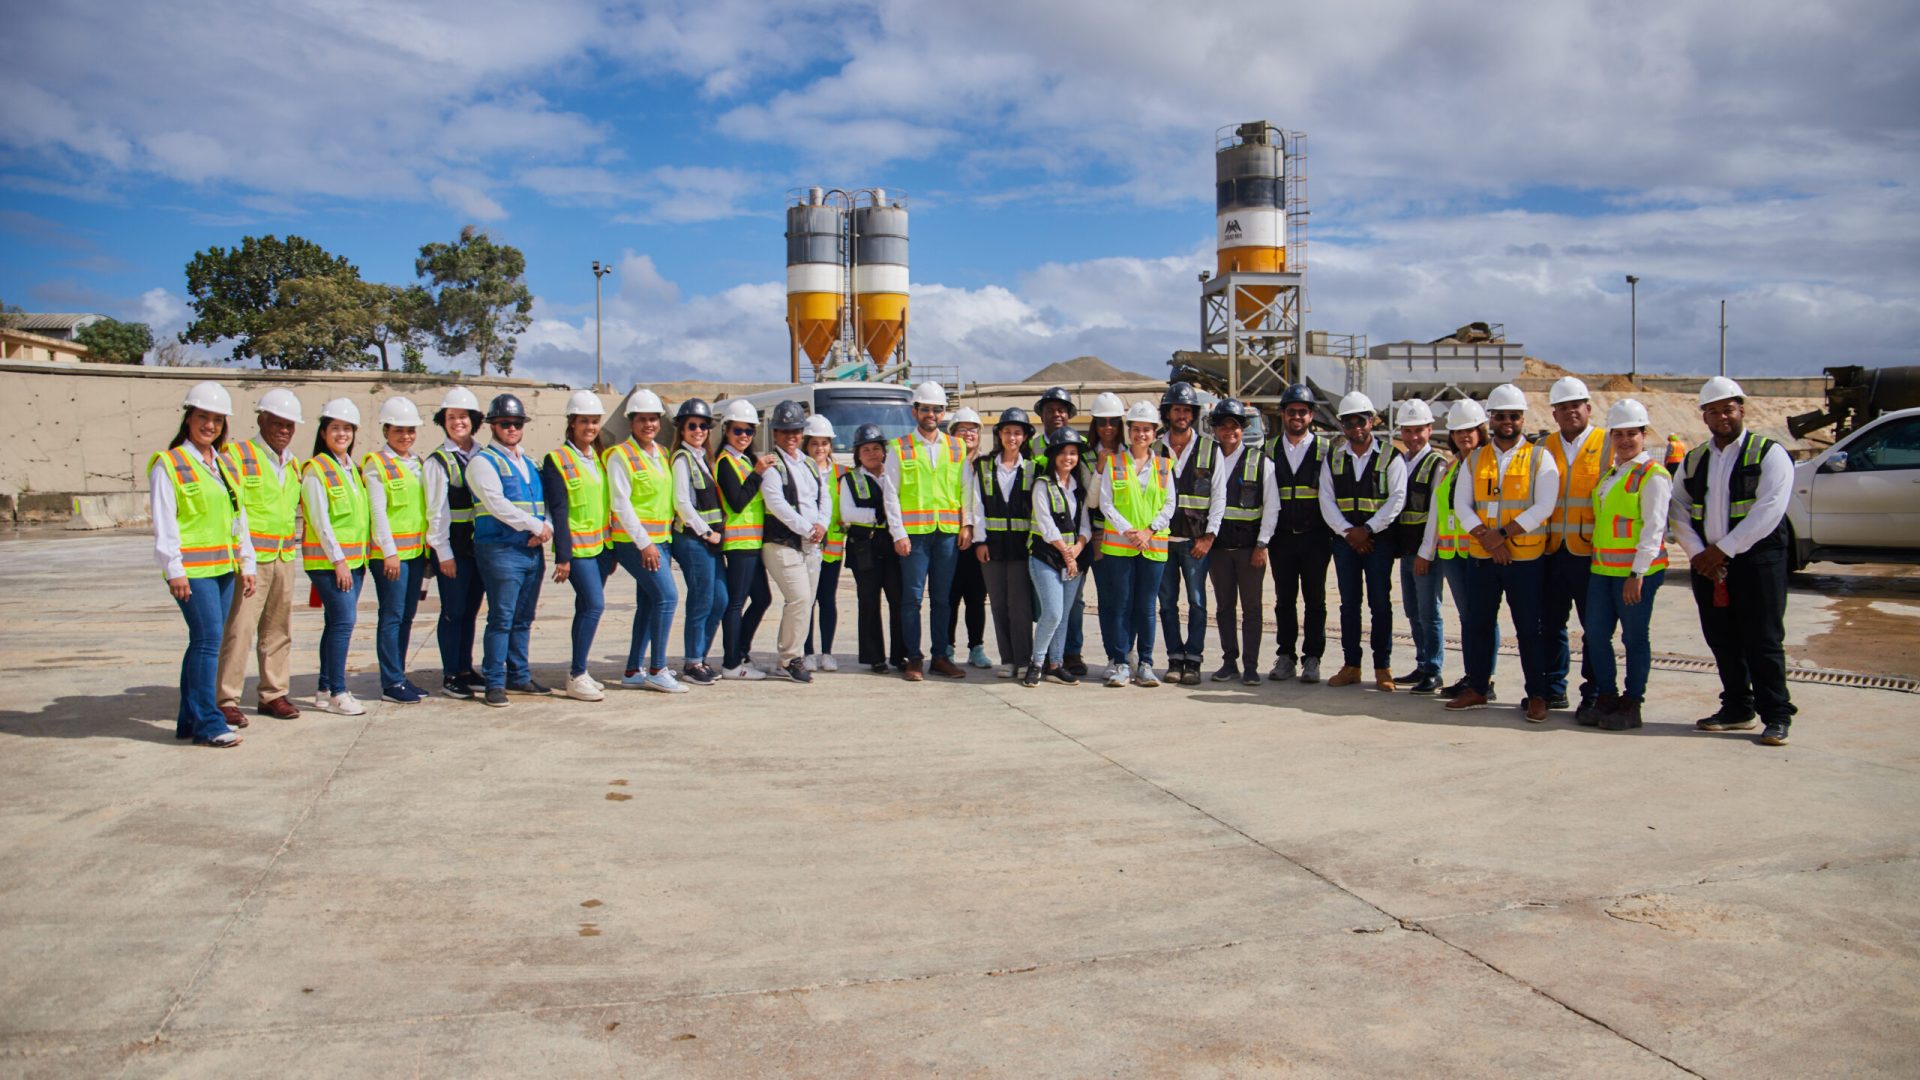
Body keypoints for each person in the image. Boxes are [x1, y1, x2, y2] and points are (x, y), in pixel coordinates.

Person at [1669, 377, 1796, 746]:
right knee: (1722, 639)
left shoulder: (1768, 453)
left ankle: (1776, 714)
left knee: (1764, 639)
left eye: (1728, 408)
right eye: (1713, 411)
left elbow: (1769, 509)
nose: (1722, 416)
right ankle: (1738, 707)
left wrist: (1722, 550)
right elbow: (1678, 509)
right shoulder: (1694, 459)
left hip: (1757, 561)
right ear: (1703, 417)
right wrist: (1698, 554)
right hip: (1708, 564)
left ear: (1741, 409)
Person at [152, 381, 257, 747]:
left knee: (203, 642)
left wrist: (247, 562)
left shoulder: (223, 463)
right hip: (193, 572)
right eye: (202, 417)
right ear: (189, 418)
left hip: (224, 569)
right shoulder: (170, 463)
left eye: (216, 420)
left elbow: (236, 516)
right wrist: (174, 568)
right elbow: (164, 521)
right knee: (209, 640)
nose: (209, 425)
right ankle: (210, 722)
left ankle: (189, 719)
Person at [1446, 383, 1560, 719]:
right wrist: (1487, 538)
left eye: (1513, 416)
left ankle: (1537, 695)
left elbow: (1544, 505)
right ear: (1490, 420)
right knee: (1478, 624)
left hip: (1525, 559)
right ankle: (1478, 687)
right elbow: (1461, 504)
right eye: (1499, 416)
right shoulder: (1476, 459)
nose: (1506, 421)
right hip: (1482, 559)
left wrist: (1502, 536)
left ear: (1522, 418)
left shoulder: (1540, 457)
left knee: (1529, 628)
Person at [215, 388, 303, 727]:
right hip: (251, 560)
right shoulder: (236, 456)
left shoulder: (292, 463)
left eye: (289, 425)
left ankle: (273, 694)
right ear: (261, 420)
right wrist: (244, 558)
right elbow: (234, 513)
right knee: (240, 629)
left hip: (283, 556)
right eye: (277, 422)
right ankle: (226, 699)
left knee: (279, 629)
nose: (283, 429)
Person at [1583, 399, 1671, 731]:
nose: (1624, 441)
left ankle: (1632, 703)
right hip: (1603, 571)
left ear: (1643, 434)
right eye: (1617, 435)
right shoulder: (1612, 474)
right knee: (1595, 635)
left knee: (1634, 638)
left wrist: (1638, 573)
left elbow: (1654, 527)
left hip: (1635, 574)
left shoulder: (1653, 475)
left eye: (1631, 434)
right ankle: (1607, 697)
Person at [468, 393, 553, 707]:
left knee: (523, 617)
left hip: (531, 549)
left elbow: (545, 505)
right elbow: (496, 504)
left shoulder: (529, 463)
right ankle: (494, 681)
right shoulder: (483, 462)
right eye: (505, 423)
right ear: (492, 425)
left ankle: (519, 674)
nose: (512, 428)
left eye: (517, 423)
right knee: (502, 618)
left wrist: (545, 530)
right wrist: (534, 526)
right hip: (501, 550)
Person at [1320, 392, 1408, 691]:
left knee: (1380, 604)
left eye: (1361, 420)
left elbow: (1397, 499)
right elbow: (1326, 500)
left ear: (1371, 422)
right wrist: (1349, 532)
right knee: (1349, 605)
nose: (1355, 427)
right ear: (1342, 425)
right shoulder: (1333, 458)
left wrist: (1367, 529)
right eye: (1349, 421)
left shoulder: (1391, 456)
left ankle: (1382, 667)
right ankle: (1351, 665)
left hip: (1378, 542)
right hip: (1346, 542)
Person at [1415, 400, 1501, 701]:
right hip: (1452, 554)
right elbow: (1437, 514)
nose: (1464, 436)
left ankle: (1484, 679)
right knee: (1468, 619)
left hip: (1479, 553)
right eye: (1458, 431)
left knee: (1481, 618)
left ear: (1481, 430)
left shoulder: (1488, 464)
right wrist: (1427, 550)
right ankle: (1473, 675)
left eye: (1470, 429)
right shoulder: (1450, 468)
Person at [887, 381, 969, 681]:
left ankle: (940, 656)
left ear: (944, 413)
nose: (931, 414)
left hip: (947, 533)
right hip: (914, 536)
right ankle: (914, 659)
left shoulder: (956, 447)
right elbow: (890, 494)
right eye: (925, 409)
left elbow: (966, 489)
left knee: (942, 598)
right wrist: (898, 533)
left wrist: (967, 524)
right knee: (912, 598)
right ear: (915, 411)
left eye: (936, 409)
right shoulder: (899, 447)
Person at [1540, 376, 1611, 720]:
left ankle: (1594, 693)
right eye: (1563, 408)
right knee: (1551, 624)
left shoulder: (1608, 443)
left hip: (1590, 554)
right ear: (1554, 413)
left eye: (1575, 406)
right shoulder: (1544, 447)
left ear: (1588, 408)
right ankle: (1554, 689)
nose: (1570, 413)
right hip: (1552, 552)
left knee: (1593, 628)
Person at [606, 389, 685, 694]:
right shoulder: (620, 456)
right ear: (631, 422)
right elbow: (621, 504)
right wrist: (644, 544)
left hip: (660, 541)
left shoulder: (663, 454)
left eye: (653, 419)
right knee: (667, 597)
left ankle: (632, 670)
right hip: (635, 543)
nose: (649, 424)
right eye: (643, 419)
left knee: (650, 603)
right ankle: (657, 668)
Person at [1096, 400, 1176, 687]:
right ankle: (1120, 663)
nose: (1141, 434)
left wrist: (1149, 531)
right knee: (1120, 605)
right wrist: (1130, 531)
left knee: (1145, 607)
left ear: (1155, 433)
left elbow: (1169, 504)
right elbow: (1106, 502)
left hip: (1153, 547)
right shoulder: (1115, 463)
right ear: (1128, 432)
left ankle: (1145, 663)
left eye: (1147, 429)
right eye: (1136, 429)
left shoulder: (1165, 466)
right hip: (1120, 547)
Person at [301, 397, 371, 716]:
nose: (342, 434)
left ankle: (324, 687)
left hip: (356, 563)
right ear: (323, 431)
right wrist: (338, 560)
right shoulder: (317, 469)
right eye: (335, 428)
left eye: (347, 428)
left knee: (334, 624)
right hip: (331, 564)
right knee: (344, 622)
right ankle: (339, 693)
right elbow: (320, 520)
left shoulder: (351, 469)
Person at [542, 390, 613, 701]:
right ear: (571, 423)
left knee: (586, 607)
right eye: (584, 421)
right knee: (594, 605)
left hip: (599, 548)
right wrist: (563, 556)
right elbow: (559, 509)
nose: (590, 426)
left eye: (594, 421)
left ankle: (580, 669)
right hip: (577, 550)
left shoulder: (597, 457)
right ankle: (576, 674)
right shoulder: (557, 459)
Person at [1204, 398, 1278, 686]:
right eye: (1223, 426)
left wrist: (1262, 544)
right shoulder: (1208, 461)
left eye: (1234, 426)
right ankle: (1229, 661)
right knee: (1224, 608)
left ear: (1243, 429)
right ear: (1215, 430)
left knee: (1252, 609)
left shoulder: (1260, 462)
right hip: (1219, 549)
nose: (1229, 431)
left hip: (1249, 550)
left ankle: (1250, 665)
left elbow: (1271, 507)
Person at [363, 396, 431, 704]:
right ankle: (391, 681)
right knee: (391, 616)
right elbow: (378, 513)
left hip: (415, 554)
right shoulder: (376, 465)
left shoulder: (416, 462)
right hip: (391, 557)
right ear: (386, 430)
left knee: (406, 616)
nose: (406, 436)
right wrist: (389, 552)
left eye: (410, 430)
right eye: (399, 430)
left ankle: (400, 675)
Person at [758, 400, 832, 682]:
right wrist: (806, 528)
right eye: (785, 431)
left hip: (811, 543)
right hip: (782, 542)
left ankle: (791, 656)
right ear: (775, 433)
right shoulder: (772, 466)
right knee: (799, 597)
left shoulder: (810, 464)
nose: (792, 437)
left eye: (796, 431)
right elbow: (777, 504)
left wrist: (822, 525)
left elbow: (823, 497)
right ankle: (790, 658)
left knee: (806, 601)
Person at [1154, 381, 1220, 685]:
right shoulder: (1154, 449)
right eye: (1176, 409)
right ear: (1167, 413)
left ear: (1194, 414)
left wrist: (1209, 537)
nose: (1182, 414)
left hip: (1195, 542)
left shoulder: (1210, 448)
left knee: (1197, 602)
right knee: (1167, 603)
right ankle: (1173, 658)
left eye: (1187, 410)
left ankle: (1193, 659)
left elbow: (1219, 497)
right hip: (1162, 542)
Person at [1266, 383, 1332, 683]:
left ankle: (1313, 658)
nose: (1297, 417)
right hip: (1282, 538)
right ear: (1283, 414)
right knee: (1284, 600)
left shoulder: (1326, 450)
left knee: (1315, 600)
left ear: (1311, 415)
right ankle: (1285, 656)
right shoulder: (1268, 450)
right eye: (1291, 411)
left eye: (1302, 412)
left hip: (1315, 537)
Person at [425, 387, 487, 699]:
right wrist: (443, 554)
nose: (457, 422)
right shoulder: (438, 461)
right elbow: (435, 513)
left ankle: (466, 667)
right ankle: (451, 673)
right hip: (453, 550)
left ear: (474, 420)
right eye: (451, 417)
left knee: (471, 610)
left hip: (478, 549)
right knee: (453, 611)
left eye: (463, 416)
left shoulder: (482, 455)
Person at [969, 407, 1036, 677]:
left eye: (1017, 433)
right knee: (998, 604)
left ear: (1025, 437)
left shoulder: (1032, 468)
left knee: (1020, 606)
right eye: (1007, 432)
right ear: (999, 435)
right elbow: (977, 506)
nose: (1012, 437)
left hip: (1021, 549)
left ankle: (1023, 660)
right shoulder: (984, 467)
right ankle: (1007, 660)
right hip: (992, 549)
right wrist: (980, 541)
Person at [1030, 385, 1093, 675]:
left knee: (1071, 606)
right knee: (1048, 606)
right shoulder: (1032, 449)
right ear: (1041, 413)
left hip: (1075, 544)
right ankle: (1040, 659)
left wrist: (1078, 548)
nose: (1057, 414)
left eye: (1062, 409)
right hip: (1044, 545)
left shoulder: (1082, 454)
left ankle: (1069, 654)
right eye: (1051, 409)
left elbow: (1088, 502)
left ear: (1069, 414)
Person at [840, 423, 907, 673]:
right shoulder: (850, 479)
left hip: (892, 545)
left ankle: (901, 655)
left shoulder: (893, 473)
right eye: (865, 449)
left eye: (876, 448)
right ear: (857, 453)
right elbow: (847, 512)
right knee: (868, 602)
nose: (871, 454)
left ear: (884, 451)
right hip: (864, 548)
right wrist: (878, 515)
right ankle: (874, 657)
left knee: (898, 600)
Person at [1391, 399, 1448, 694]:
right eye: (1408, 431)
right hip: (1407, 550)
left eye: (1419, 430)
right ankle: (1422, 662)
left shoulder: (1436, 463)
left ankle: (1434, 669)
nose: (1413, 437)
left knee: (1429, 611)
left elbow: (1436, 515)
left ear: (1429, 429)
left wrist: (1427, 553)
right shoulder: (1401, 461)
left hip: (1426, 552)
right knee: (1413, 611)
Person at [715, 399, 774, 679]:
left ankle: (741, 652)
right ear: (726, 430)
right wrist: (758, 474)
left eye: (748, 432)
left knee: (762, 599)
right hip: (739, 544)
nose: (743, 437)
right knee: (736, 604)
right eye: (738, 431)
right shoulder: (726, 462)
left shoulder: (746, 460)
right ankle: (731, 663)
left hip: (753, 543)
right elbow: (737, 502)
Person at [669, 398, 727, 685]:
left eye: (703, 425)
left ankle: (700, 657)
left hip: (710, 542)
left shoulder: (704, 458)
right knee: (702, 599)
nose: (699, 430)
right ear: (681, 429)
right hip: (693, 540)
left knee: (721, 599)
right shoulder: (682, 459)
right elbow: (682, 502)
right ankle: (692, 662)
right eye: (692, 425)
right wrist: (706, 532)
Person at [1081, 391, 1128, 673]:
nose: (1108, 428)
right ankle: (1114, 655)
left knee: (1130, 599)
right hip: (1102, 539)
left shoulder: (1132, 453)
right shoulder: (1087, 457)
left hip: (1130, 537)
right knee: (1109, 600)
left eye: (1113, 422)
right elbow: (1091, 501)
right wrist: (1100, 470)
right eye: (1102, 422)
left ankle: (1128, 651)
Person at [944, 407, 992, 669]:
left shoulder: (987, 464)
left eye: (972, 429)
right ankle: (947, 647)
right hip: (951, 537)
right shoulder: (946, 463)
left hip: (979, 540)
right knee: (950, 596)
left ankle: (976, 648)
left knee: (976, 596)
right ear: (952, 434)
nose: (967, 434)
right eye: (961, 429)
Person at [802, 413, 844, 671]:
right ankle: (807, 651)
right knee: (806, 599)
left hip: (833, 548)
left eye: (824, 443)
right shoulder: (800, 469)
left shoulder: (841, 473)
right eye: (814, 443)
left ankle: (827, 652)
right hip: (807, 545)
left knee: (827, 599)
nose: (820, 448)